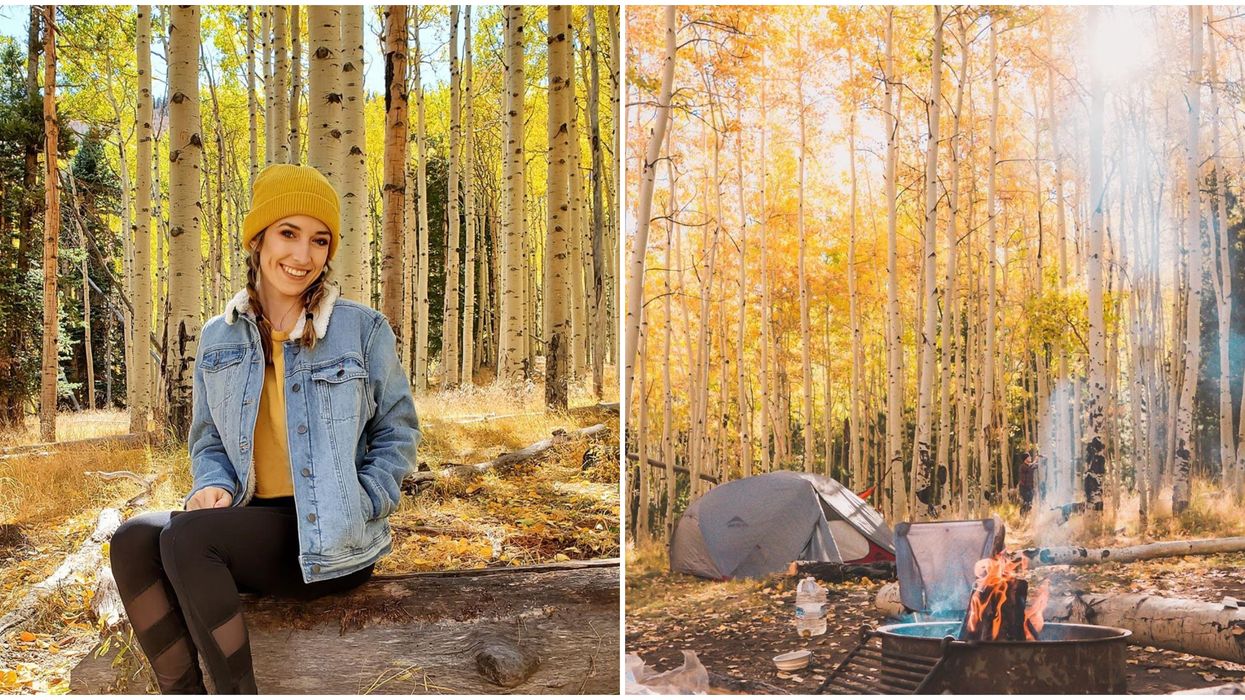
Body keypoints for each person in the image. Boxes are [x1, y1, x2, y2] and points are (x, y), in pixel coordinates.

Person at [108, 164, 420, 694]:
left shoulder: (361, 329)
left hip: (331, 537)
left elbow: (399, 433)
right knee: (134, 539)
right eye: (288, 234)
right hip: (249, 523)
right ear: (258, 239)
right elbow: (209, 440)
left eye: (319, 240)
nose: (303, 256)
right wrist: (214, 484)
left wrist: (364, 502)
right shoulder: (218, 337)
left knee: (186, 540)